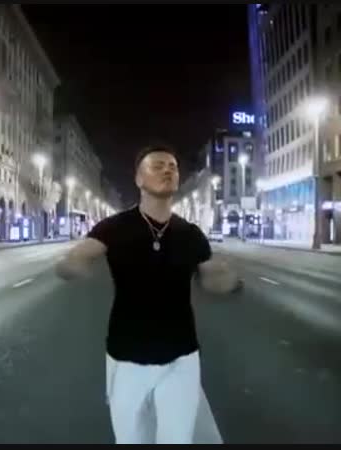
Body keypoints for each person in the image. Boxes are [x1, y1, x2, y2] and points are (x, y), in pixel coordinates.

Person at [55, 144, 243, 444]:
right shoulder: (115, 227)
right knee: (132, 439)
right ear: (139, 179)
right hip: (126, 357)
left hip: (181, 356)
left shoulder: (191, 234)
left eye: (173, 167)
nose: (168, 170)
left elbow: (209, 278)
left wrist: (229, 282)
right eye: (157, 166)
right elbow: (79, 255)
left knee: (177, 438)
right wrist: (71, 265)